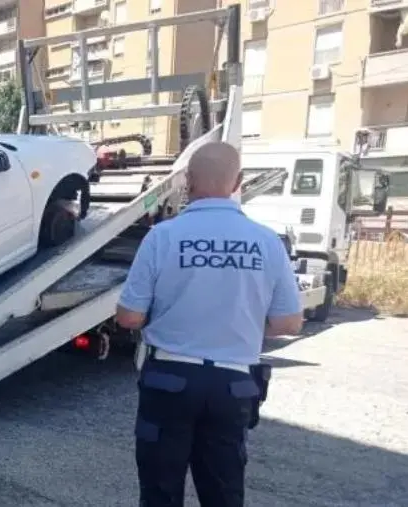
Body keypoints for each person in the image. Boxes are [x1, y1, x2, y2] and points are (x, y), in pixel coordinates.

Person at [115, 141, 303, 507]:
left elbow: (129, 317)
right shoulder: (266, 241)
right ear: (239, 181)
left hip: (169, 381)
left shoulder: (162, 236)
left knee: (159, 493)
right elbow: (288, 322)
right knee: (223, 495)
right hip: (233, 385)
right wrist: (239, 321)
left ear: (188, 181)